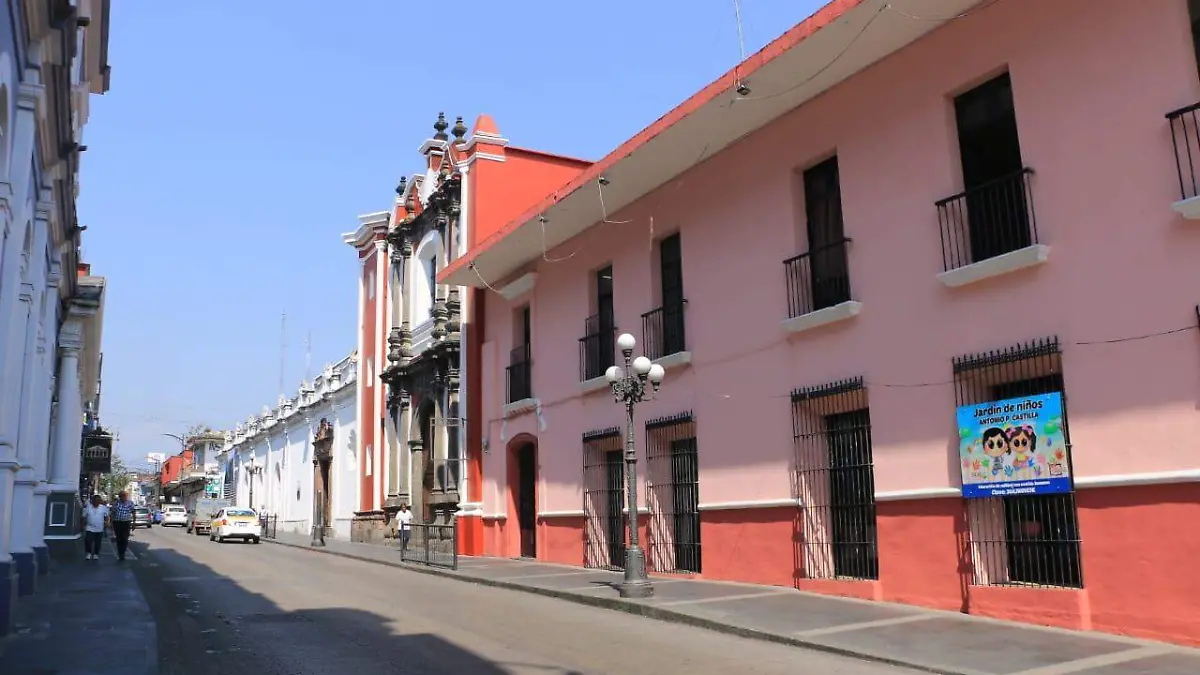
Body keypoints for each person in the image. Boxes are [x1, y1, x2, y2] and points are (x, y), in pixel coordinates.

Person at [81, 495, 109, 561]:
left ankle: (96, 554)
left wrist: (107, 523)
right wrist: (81, 525)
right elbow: (83, 517)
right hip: (89, 528)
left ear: (100, 501)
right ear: (93, 501)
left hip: (99, 528)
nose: (97, 502)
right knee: (88, 541)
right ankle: (88, 553)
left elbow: (107, 516)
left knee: (98, 542)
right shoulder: (88, 507)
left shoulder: (103, 508)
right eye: (95, 500)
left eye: (98, 500)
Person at [110, 491, 135, 561]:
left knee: (125, 538)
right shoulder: (116, 503)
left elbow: (133, 512)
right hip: (117, 522)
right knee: (119, 538)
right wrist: (111, 523)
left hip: (126, 522)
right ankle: (120, 552)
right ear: (120, 497)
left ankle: (123, 552)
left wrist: (134, 523)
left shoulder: (130, 503)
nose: (124, 497)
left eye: (125, 496)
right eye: (122, 496)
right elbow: (112, 513)